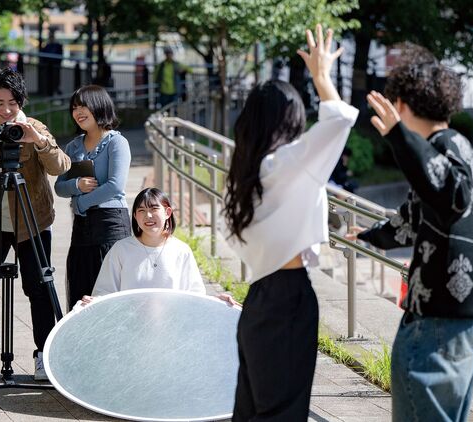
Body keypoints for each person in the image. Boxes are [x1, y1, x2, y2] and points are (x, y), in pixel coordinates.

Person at [349, 44, 473, 422]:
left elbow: (448, 192)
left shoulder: (442, 149)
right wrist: (369, 235)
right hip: (464, 315)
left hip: (439, 317)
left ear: (401, 104)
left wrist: (399, 137)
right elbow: (416, 218)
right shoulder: (458, 148)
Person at [223, 25, 358, 420]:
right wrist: (321, 77)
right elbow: (338, 122)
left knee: (251, 411)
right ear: (291, 119)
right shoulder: (287, 163)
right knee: (282, 412)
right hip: (288, 297)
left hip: (260, 295)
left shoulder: (245, 172)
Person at [0, 68, 71, 380]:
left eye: (12, 103)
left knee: (38, 286)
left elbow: (61, 165)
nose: (6, 110)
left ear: (21, 102)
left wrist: (40, 141)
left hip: (31, 220)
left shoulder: (33, 127)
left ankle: (43, 355)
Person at [80, 188, 239, 308]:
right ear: (135, 216)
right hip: (128, 328)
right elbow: (105, 292)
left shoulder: (181, 251)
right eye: (141, 211)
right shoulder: (121, 249)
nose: (148, 216)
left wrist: (217, 301)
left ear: (168, 212)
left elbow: (195, 297)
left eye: (154, 209)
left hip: (172, 329)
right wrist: (96, 301)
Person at [54, 85, 132, 310]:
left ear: (99, 106)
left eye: (83, 106)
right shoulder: (73, 145)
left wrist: (81, 202)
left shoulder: (117, 142)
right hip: (81, 228)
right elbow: (60, 187)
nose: (78, 112)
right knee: (82, 290)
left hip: (110, 223)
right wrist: (77, 185)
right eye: (74, 108)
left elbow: (115, 185)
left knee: (109, 294)